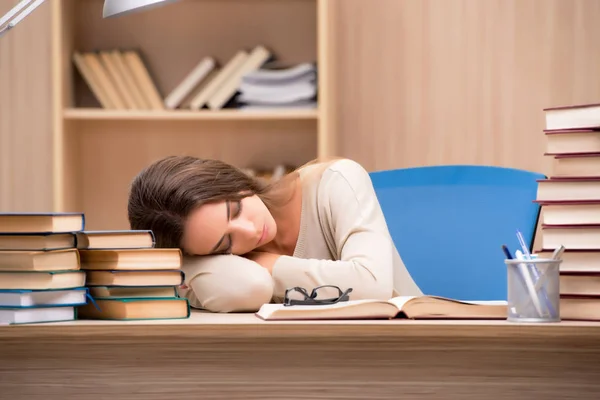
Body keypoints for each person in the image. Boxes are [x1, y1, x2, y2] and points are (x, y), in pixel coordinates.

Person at [127, 156, 422, 312]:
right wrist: (182, 265)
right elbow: (249, 287)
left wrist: (270, 264)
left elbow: (373, 286)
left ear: (231, 179)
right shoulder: (221, 268)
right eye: (225, 244)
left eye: (236, 209)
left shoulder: (336, 181)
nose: (251, 231)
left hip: (415, 350)